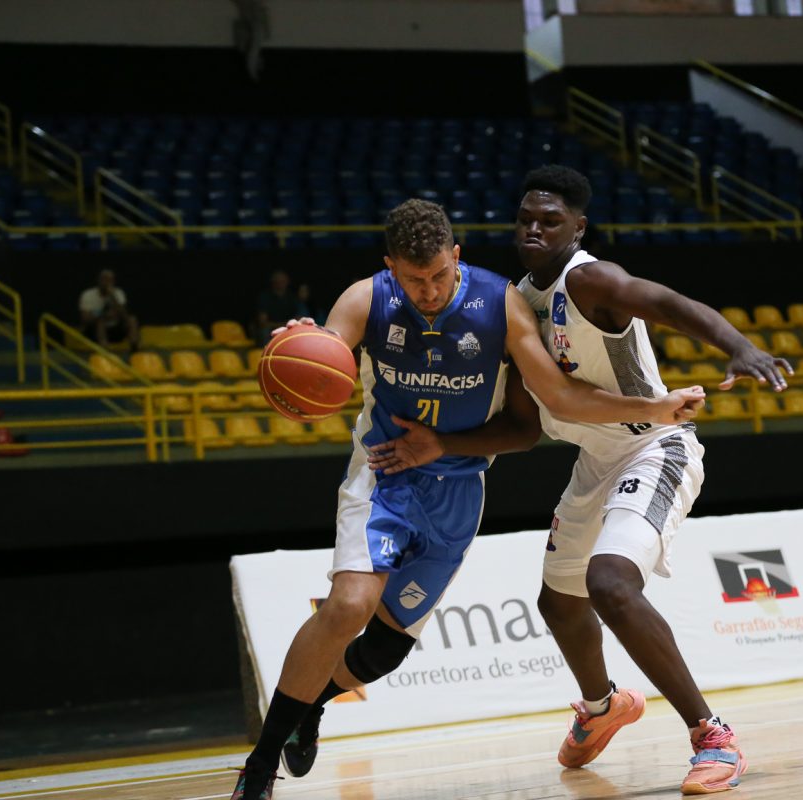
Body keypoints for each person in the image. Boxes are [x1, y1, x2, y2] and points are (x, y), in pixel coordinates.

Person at [229, 199, 706, 800]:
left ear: (456, 256)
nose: (428, 291)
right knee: (349, 605)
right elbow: (325, 349)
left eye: (439, 275)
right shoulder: (366, 298)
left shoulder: (498, 304)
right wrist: (298, 345)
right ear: (390, 267)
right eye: (414, 279)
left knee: (384, 650)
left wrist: (653, 408)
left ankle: (311, 707)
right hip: (384, 476)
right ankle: (260, 767)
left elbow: (553, 403)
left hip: (458, 489)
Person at [368, 166, 793, 794]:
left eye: (551, 220)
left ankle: (713, 737)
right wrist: (441, 444)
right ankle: (603, 707)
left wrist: (737, 345)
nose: (534, 229)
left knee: (610, 584)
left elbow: (666, 302)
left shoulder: (589, 279)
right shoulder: (515, 303)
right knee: (559, 604)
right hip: (595, 461)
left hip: (654, 447)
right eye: (526, 219)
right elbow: (523, 429)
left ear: (578, 227)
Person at [78, 269, 139, 350]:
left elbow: (124, 315)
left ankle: (135, 349)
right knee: (100, 322)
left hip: (115, 329)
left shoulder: (118, 293)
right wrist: (102, 315)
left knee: (132, 320)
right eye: (104, 279)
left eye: (110, 280)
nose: (106, 282)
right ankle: (105, 351)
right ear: (99, 280)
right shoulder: (88, 294)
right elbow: (85, 319)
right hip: (94, 330)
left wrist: (112, 296)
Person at [255, 270, 309, 344]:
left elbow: (299, 318)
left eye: (282, 281)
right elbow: (263, 322)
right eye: (277, 281)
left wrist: (289, 326)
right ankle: (266, 350)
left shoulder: (292, 297)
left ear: (288, 282)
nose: (280, 283)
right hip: (272, 329)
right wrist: (282, 325)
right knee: (264, 331)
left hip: (289, 328)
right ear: (273, 282)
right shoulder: (265, 297)